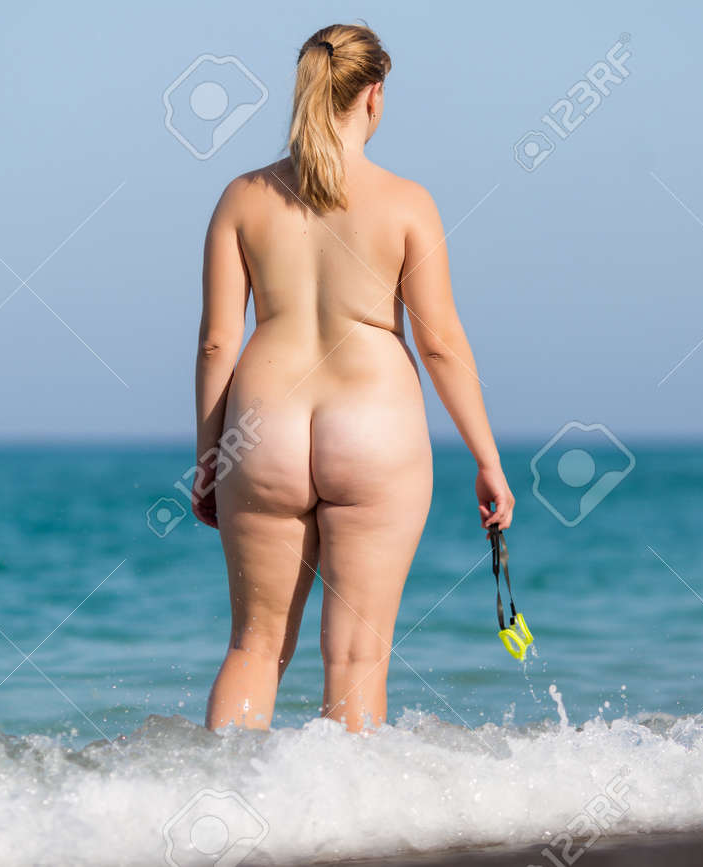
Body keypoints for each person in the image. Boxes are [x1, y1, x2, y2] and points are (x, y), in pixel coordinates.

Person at [193, 23, 514, 733]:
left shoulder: (242, 198)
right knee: (357, 656)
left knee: (253, 646)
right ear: (373, 95)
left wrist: (211, 455)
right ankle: (351, 827)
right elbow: (440, 346)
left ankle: (218, 811)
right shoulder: (406, 202)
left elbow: (219, 340)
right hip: (373, 431)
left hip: (262, 429)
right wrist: (488, 460)